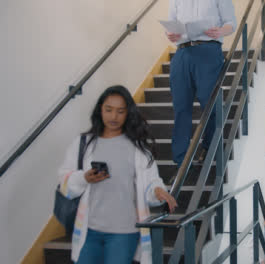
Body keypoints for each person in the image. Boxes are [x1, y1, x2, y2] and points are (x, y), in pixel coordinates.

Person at [58, 85, 178, 264]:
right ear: (100, 110)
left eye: (120, 111)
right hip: (90, 230)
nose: (113, 117)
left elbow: (151, 183)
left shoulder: (139, 149)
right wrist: (84, 178)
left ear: (128, 113)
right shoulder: (83, 143)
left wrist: (158, 191)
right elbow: (65, 183)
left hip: (125, 231)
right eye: (109, 110)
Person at [166, 0, 237, 169]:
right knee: (181, 107)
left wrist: (220, 31)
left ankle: (208, 146)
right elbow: (171, 26)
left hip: (208, 51)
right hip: (182, 52)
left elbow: (231, 23)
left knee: (210, 103)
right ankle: (180, 162)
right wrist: (171, 34)